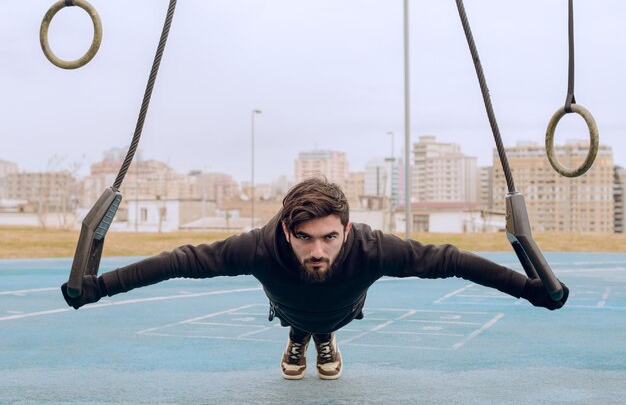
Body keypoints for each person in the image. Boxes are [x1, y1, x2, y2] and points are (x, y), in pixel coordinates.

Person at [62, 177, 568, 380]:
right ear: (286, 230)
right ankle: (301, 339)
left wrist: (528, 289)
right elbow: (177, 261)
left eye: (329, 237)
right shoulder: (257, 248)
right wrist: (99, 286)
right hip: (287, 305)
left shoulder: (374, 248)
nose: (318, 250)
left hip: (345, 311)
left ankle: (318, 339)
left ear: (346, 228)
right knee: (298, 317)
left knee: (326, 321)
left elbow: (453, 258)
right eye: (304, 239)